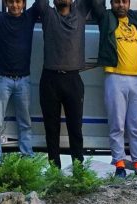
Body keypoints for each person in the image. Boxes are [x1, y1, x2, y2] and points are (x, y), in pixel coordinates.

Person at [37, 0, 104, 169]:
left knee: (75, 129)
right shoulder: (47, 14)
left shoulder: (80, 12)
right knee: (51, 130)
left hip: (73, 79)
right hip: (50, 79)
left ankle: (78, 172)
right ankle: (54, 173)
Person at [0, 0, 40, 166]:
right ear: (6, 3)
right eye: (11, 1)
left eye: (18, 2)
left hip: (24, 81)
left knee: (25, 124)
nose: (15, 5)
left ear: (24, 4)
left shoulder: (29, 17)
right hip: (1, 80)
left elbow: (41, 3)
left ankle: (27, 159)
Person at [95, 0, 137, 177]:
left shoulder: (136, 17)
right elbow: (95, 4)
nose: (121, 5)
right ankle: (119, 164)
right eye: (116, 2)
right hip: (115, 77)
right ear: (111, 3)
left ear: (129, 3)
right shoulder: (106, 17)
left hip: (136, 79)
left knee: (136, 126)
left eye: (124, 1)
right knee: (117, 125)